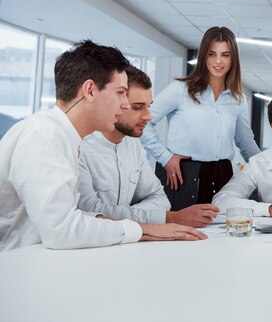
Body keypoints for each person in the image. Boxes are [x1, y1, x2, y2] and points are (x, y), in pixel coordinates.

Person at [0, 41, 205, 251]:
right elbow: (60, 230)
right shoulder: (43, 136)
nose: (125, 104)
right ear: (90, 90)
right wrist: (143, 229)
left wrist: (131, 224)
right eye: (121, 92)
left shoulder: (65, 137)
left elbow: (71, 216)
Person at [78, 66, 219, 227]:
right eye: (138, 107)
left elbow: (160, 198)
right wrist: (168, 218)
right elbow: (90, 211)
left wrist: (128, 215)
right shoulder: (82, 147)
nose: (148, 116)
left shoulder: (132, 144)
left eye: (148, 106)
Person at [141, 26, 260, 211]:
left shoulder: (237, 99)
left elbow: (246, 144)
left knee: (221, 234)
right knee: (182, 234)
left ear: (233, 59)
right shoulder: (180, 90)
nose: (218, 61)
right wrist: (165, 157)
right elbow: (143, 121)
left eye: (225, 55)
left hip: (222, 175)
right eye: (212, 54)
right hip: (183, 175)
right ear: (204, 56)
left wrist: (269, 171)